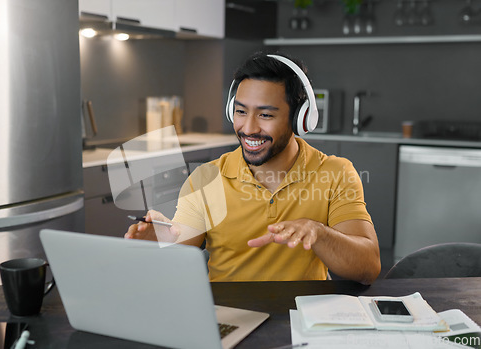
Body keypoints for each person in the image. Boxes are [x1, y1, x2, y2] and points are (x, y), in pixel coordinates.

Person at [125, 52, 381, 285]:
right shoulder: (207, 178)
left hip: (302, 315)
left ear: (299, 118)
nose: (248, 128)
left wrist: (320, 233)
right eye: (240, 111)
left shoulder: (335, 173)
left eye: (265, 115)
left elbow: (368, 268)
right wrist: (157, 240)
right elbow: (179, 251)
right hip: (228, 316)